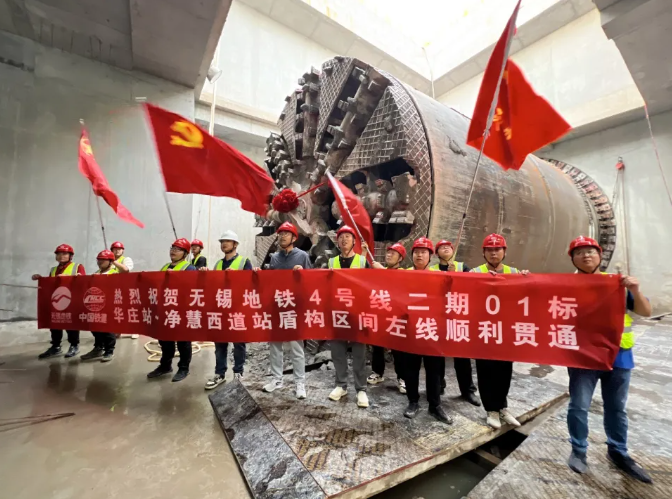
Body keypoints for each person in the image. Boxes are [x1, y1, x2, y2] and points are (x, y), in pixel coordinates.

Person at [565, 236, 652, 483]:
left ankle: (618, 451)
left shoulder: (617, 284)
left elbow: (646, 311)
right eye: (579, 252)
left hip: (619, 356)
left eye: (591, 251)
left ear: (600, 255)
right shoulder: (565, 285)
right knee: (579, 405)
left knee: (616, 408)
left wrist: (635, 290)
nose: (586, 255)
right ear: (572, 258)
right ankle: (578, 450)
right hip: (583, 357)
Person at [471, 233, 529, 429]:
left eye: (497, 249)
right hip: (484, 330)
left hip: (505, 332)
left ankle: (502, 406)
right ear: (484, 253)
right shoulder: (475, 273)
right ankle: (491, 410)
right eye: (489, 250)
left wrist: (527, 279)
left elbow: (526, 295)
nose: (493, 253)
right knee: (486, 371)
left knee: (504, 371)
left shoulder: (514, 272)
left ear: (504, 252)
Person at [257, 222, 310, 399]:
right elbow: (270, 280)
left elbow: (312, 279)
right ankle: (277, 379)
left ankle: (300, 382)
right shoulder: (274, 258)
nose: (282, 237)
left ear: (294, 238)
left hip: (294, 308)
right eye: (280, 234)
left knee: (296, 347)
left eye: (286, 234)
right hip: (277, 306)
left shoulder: (302, 256)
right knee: (275, 345)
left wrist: (303, 272)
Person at [403, 237, 452, 424]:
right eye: (416, 252)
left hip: (432, 329)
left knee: (434, 370)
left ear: (430, 256)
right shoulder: (403, 275)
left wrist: (452, 278)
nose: (419, 255)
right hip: (411, 330)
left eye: (424, 252)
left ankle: (435, 405)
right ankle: (413, 401)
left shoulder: (438, 275)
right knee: (411, 369)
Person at [431, 239, 481, 407]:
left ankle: (467, 390)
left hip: (458, 318)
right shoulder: (432, 270)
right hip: (439, 317)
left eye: (448, 247)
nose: (446, 249)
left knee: (461, 356)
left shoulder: (463, 267)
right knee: (438, 355)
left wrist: (457, 276)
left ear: (453, 251)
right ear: (437, 253)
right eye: (442, 247)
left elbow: (472, 286)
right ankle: (439, 385)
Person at [327, 225, 371, 408]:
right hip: (337, 313)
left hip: (357, 314)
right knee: (338, 352)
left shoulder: (362, 261)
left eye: (348, 236)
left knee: (359, 353)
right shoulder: (331, 262)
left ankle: (361, 389)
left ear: (354, 241)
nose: (344, 239)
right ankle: (341, 385)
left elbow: (371, 286)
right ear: (337, 242)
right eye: (341, 237)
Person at [204, 230, 253, 390]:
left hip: (237, 309)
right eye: (222, 242)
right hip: (221, 309)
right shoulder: (218, 264)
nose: (224, 244)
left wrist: (237, 277)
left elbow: (250, 285)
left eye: (227, 241)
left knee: (238, 343)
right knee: (220, 344)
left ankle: (238, 373)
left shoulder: (244, 262)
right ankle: (220, 373)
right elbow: (212, 285)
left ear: (235, 244)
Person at [147, 238, 197, 382]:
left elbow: (191, 288)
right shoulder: (165, 266)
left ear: (185, 253)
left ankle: (183, 368)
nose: (173, 251)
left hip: (181, 309)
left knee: (183, 341)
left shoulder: (189, 268)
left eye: (178, 249)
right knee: (165, 339)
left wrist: (175, 277)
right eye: (172, 248)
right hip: (165, 309)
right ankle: (165, 366)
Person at [32, 244, 85, 359]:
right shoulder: (53, 269)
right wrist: (41, 279)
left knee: (71, 324)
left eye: (64, 254)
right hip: (57, 300)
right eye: (59, 254)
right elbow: (51, 284)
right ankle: (56, 346)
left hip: (71, 300)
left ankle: (74, 345)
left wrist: (70, 277)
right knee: (55, 323)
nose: (61, 256)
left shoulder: (77, 266)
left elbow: (82, 281)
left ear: (70, 256)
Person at [369, 243, 406, 394]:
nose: (389, 255)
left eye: (393, 253)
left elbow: (397, 284)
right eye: (388, 253)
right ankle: (378, 372)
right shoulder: (379, 271)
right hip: (381, 312)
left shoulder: (404, 273)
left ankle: (402, 377)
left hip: (396, 316)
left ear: (400, 258)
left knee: (398, 348)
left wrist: (382, 271)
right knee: (377, 345)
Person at [81, 250, 118, 362]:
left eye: (103, 260)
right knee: (95, 327)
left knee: (107, 329)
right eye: (99, 260)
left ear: (110, 261)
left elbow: (124, 274)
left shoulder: (115, 272)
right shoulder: (97, 272)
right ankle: (98, 348)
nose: (100, 262)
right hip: (96, 304)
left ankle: (109, 351)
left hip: (109, 305)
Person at [110, 241, 138, 339]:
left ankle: (135, 330)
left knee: (129, 310)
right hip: (114, 290)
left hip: (125, 288)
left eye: (119, 249)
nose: (117, 251)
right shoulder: (108, 261)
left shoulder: (126, 259)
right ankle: (118, 331)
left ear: (123, 251)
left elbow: (126, 270)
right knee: (117, 311)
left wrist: (113, 261)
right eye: (115, 249)